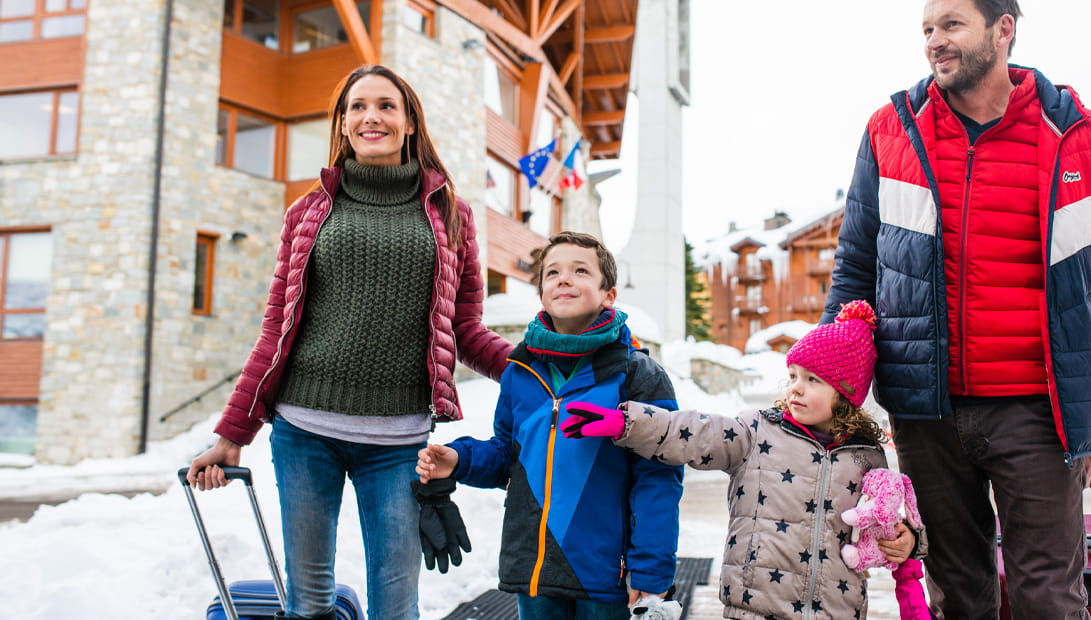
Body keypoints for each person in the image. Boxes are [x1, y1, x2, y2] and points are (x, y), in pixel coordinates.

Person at [822, 1, 1091, 617]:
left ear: (1004, 29)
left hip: (1038, 413)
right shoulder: (891, 129)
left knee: (1049, 598)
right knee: (957, 598)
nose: (935, 41)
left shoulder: (1079, 136)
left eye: (952, 25)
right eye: (927, 29)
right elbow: (856, 265)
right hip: (925, 409)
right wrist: (831, 384)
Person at [186, 64, 513, 620]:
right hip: (304, 433)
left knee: (395, 607)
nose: (371, 117)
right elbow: (276, 329)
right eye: (357, 107)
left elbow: (466, 330)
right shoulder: (308, 212)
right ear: (342, 124)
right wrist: (231, 433)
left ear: (409, 122)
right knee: (309, 604)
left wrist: (543, 367)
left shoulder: (450, 215)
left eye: (386, 106)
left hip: (399, 445)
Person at [560, 300, 928, 620]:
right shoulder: (757, 432)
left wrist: (908, 541)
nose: (796, 387)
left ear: (845, 394)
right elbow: (693, 432)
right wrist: (626, 422)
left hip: (837, 610)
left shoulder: (867, 456)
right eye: (794, 375)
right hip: (755, 606)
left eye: (813, 379)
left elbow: (885, 524)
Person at [416, 231, 683, 620]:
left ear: (609, 294)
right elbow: (509, 454)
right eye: (553, 272)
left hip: (606, 576)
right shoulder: (520, 371)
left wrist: (651, 568)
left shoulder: (638, 374)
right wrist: (459, 459)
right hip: (534, 572)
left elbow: (658, 478)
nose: (564, 278)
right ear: (541, 293)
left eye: (580, 270)